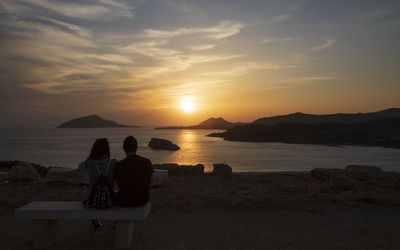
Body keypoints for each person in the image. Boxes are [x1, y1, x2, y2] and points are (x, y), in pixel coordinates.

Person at [79, 138, 117, 232]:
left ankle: (95, 222)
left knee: (86, 194)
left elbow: (80, 166)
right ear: (107, 149)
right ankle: (117, 223)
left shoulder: (89, 163)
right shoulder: (113, 163)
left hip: (92, 201)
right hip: (110, 200)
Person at [113, 135, 153, 207]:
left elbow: (117, 185)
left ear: (124, 149)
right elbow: (151, 182)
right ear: (136, 148)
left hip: (123, 200)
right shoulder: (147, 162)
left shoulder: (118, 165)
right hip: (142, 199)